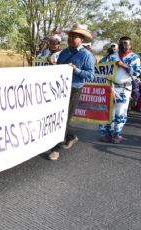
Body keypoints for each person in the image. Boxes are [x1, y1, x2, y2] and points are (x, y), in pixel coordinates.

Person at [48, 24, 95, 161]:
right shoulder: (64, 53)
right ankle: (71, 136)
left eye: (75, 36)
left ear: (82, 39)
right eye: (70, 36)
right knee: (58, 118)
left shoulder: (87, 55)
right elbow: (60, 69)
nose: (71, 39)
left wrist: (76, 70)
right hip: (60, 90)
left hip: (74, 90)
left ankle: (56, 148)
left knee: (63, 120)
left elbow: (90, 75)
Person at [99, 37, 141, 144]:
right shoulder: (112, 57)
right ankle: (106, 133)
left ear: (130, 45)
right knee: (109, 111)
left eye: (126, 43)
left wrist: (123, 65)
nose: (124, 45)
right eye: (122, 43)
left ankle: (116, 134)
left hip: (124, 88)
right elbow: (103, 70)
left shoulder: (135, 57)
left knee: (120, 112)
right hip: (111, 86)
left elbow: (137, 73)